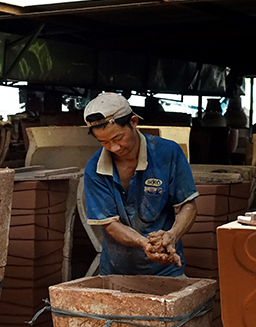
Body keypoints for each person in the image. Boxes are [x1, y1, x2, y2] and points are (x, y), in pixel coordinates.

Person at [83, 92, 198, 277]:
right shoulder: (94, 169)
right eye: (104, 142)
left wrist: (172, 235)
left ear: (134, 122)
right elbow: (110, 225)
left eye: (118, 138)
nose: (114, 147)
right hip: (116, 272)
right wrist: (143, 242)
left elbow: (188, 205)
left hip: (167, 270)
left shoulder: (168, 153)